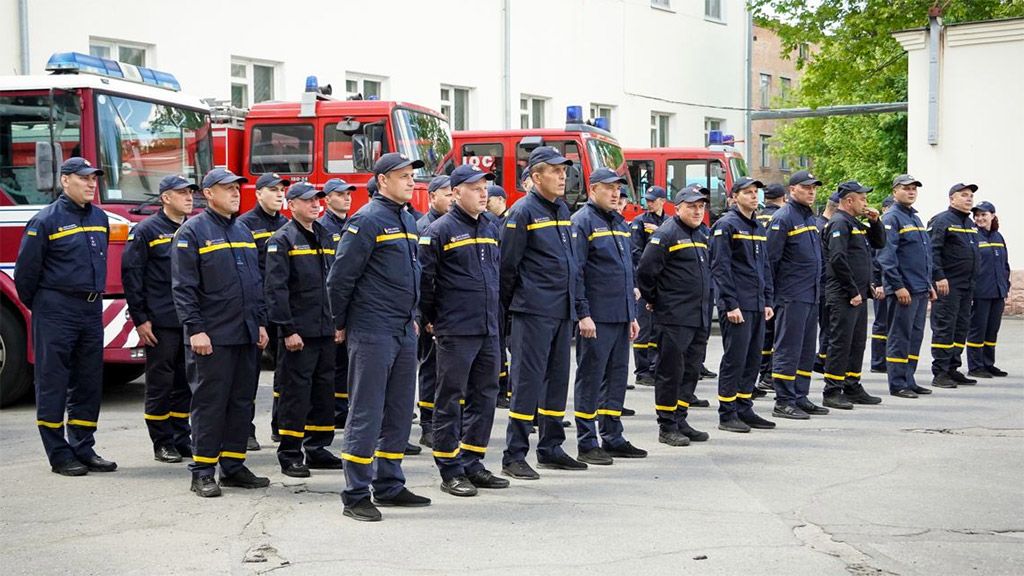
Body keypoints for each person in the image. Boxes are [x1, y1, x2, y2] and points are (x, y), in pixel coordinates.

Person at [327, 152, 431, 521]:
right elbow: (340, 277)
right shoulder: (367, 219)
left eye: (411, 176)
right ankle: (356, 493)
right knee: (366, 411)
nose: (410, 181)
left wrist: (415, 316)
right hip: (372, 328)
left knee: (400, 411)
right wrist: (341, 322)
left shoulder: (406, 219)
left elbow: (413, 275)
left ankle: (389, 484)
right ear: (383, 180)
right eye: (403, 176)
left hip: (403, 328)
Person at [171, 168, 270, 497]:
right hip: (211, 337)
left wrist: (259, 323)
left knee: (241, 401)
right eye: (227, 188)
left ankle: (233, 465)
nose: (235, 193)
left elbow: (255, 284)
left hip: (244, 333)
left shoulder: (242, 230)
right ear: (208, 193)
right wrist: (195, 330)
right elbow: (184, 289)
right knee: (210, 403)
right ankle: (202, 471)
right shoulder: (192, 232)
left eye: (237, 188)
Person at [15, 157, 116, 476]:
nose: (91, 183)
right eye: (84, 178)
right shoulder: (46, 221)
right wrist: (45, 308)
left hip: (90, 310)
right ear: (65, 181)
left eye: (94, 178)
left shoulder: (101, 217)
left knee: (88, 381)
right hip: (56, 310)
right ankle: (59, 453)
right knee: (53, 381)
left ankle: (83, 448)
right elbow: (25, 275)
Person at [419, 164, 511, 496]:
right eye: (475, 188)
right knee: (450, 397)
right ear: (456, 193)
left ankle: (473, 461)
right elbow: (425, 283)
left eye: (485, 187)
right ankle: (450, 468)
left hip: (488, 327)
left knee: (485, 396)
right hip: (456, 329)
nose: (483, 193)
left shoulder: (491, 226)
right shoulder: (439, 230)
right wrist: (433, 318)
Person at [500, 146, 583, 479]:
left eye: (565, 171)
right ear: (536, 177)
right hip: (532, 312)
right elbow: (507, 267)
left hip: (561, 312)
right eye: (555, 170)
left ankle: (551, 447)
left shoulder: (561, 210)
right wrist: (507, 314)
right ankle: (514, 454)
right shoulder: (522, 212)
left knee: (556, 382)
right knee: (527, 383)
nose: (563, 176)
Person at [265, 182, 345, 477]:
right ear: (292, 204)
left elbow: (334, 281)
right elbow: (276, 289)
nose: (316, 205)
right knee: (295, 393)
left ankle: (317, 447)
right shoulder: (282, 239)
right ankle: (290, 452)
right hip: (298, 333)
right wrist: (287, 330)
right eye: (309, 200)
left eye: (318, 200)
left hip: (325, 329)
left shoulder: (325, 234)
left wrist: (338, 322)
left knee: (323, 391)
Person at [570, 168, 647, 462]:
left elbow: (626, 272)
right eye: (608, 188)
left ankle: (613, 435)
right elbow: (576, 272)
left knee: (616, 378)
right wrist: (583, 313)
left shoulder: (618, 222)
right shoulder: (583, 222)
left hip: (620, 314)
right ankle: (587, 441)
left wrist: (632, 314)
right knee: (590, 378)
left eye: (618, 188)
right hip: (596, 317)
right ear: (593, 190)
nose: (616, 194)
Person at [122, 174, 196, 463]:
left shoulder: (192, 229)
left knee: (185, 383)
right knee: (160, 384)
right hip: (160, 322)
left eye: (191, 192)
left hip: (187, 320)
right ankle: (161, 442)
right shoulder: (146, 230)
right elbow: (132, 275)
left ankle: (181, 437)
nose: (189, 197)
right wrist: (140, 318)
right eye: (182, 193)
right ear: (165, 198)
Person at [636, 184, 713, 446]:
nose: (697, 211)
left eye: (701, 207)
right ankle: (667, 425)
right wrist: (656, 301)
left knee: (690, 371)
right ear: (677, 208)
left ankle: (680, 418)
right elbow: (646, 271)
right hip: (674, 317)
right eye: (691, 206)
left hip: (697, 317)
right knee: (670, 372)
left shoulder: (701, 234)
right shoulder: (666, 233)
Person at [709, 177, 777, 433]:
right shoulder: (726, 225)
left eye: (755, 192)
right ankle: (727, 413)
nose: (753, 196)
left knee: (752, 358)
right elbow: (721, 267)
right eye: (747, 193)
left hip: (757, 303)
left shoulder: (757, 226)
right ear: (734, 197)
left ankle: (744, 406)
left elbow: (765, 267)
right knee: (735, 359)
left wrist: (768, 299)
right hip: (737, 305)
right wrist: (730, 304)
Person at [766, 170, 828, 419]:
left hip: (810, 294)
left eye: (814, 188)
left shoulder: (808, 217)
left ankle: (800, 396)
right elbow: (771, 260)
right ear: (792, 190)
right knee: (788, 348)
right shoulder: (784, 218)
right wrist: (771, 295)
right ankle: (783, 400)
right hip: (791, 295)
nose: (812, 192)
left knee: (805, 349)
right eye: (806, 188)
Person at [820, 181, 886, 410]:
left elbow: (879, 243)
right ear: (849, 200)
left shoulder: (854, 222)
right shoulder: (839, 222)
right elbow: (837, 259)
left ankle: (852, 385)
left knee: (857, 343)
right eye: (862, 198)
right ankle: (832, 390)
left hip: (857, 294)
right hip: (844, 294)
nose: (865, 202)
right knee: (840, 343)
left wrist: (876, 222)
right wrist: (851, 290)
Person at [238, 172, 290, 450]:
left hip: (281, 308)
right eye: (273, 190)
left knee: (285, 370)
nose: (280, 194)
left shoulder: (287, 225)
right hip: (256, 308)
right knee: (249, 373)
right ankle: (245, 430)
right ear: (258, 194)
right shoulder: (245, 225)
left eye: (282, 190)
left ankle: (281, 425)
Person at [876, 174, 936, 399]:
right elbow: (886, 256)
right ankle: (898, 383)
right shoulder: (892, 218)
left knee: (915, 336)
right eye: (906, 188)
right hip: (904, 290)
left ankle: (909, 379)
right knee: (899, 337)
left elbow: (924, 256)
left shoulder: (915, 219)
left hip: (919, 288)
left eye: (914, 189)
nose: (911, 192)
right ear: (894, 192)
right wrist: (898, 286)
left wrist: (928, 284)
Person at [928, 183, 982, 389]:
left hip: (967, 285)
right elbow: (933, 252)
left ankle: (952, 368)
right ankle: (940, 372)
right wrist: (939, 276)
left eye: (971, 196)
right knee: (944, 328)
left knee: (961, 328)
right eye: (964, 195)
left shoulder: (970, 224)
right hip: (948, 285)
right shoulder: (942, 221)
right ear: (952, 199)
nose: (969, 199)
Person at [415, 175, 453, 448]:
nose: (451, 198)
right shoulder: (425, 227)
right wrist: (427, 316)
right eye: (446, 193)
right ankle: (427, 424)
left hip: (451, 315)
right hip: (433, 314)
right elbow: (423, 277)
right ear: (432, 197)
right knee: (430, 369)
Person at [318, 178, 356, 428]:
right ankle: (336, 411)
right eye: (340, 194)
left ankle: (343, 409)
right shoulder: (322, 228)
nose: (347, 197)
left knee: (347, 364)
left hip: (350, 304)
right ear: (327, 198)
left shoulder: (352, 224)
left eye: (348, 194)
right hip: (329, 306)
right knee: (334, 365)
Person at [629, 185, 668, 387]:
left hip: (661, 282)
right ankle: (642, 370)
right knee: (643, 327)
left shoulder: (668, 222)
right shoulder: (639, 222)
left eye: (653, 200)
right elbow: (637, 253)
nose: (649, 203)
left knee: (656, 328)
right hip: (645, 280)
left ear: (663, 201)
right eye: (648, 200)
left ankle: (654, 365)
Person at [966, 201, 1010, 378]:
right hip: (981, 291)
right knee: (978, 328)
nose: (979, 218)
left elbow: (1004, 264)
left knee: (992, 329)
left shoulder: (998, 237)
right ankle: (975, 366)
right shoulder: (974, 236)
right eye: (976, 215)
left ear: (992, 215)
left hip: (998, 291)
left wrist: (1006, 284)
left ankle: (988, 363)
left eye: (983, 214)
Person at [483, 183, 512, 407]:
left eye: (489, 197)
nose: (485, 199)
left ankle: (503, 390)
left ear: (501, 199)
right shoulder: (491, 223)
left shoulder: (501, 222)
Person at [757, 183, 787, 392]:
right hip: (775, 283)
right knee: (775, 331)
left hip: (759, 282)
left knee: (764, 332)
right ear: (783, 197)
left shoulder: (756, 217)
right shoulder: (781, 218)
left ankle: (762, 373)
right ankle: (768, 374)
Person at [869, 195, 896, 374]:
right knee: (881, 323)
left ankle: (884, 359)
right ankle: (878, 361)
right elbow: (875, 259)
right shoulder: (882, 227)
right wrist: (877, 283)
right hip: (881, 282)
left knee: (888, 322)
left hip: (888, 281)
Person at [813, 197, 838, 374]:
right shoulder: (824, 227)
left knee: (827, 326)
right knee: (828, 326)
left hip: (823, 283)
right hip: (824, 283)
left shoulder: (819, 224)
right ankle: (823, 359)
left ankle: (822, 358)